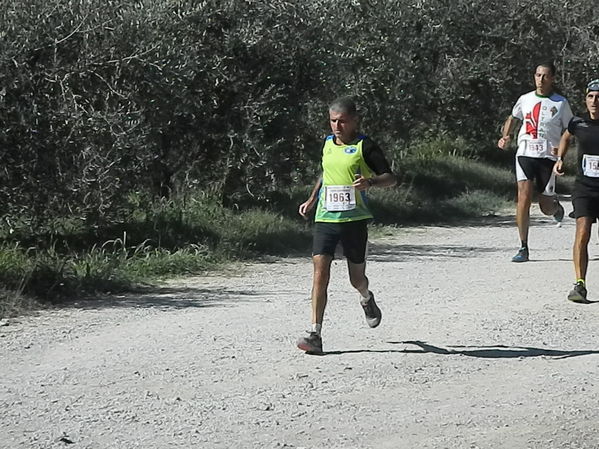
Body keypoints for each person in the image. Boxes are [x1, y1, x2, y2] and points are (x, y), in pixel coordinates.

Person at [296, 96, 396, 354]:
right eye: (332, 121)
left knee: (356, 279)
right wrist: (311, 199)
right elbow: (325, 173)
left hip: (354, 220)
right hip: (326, 218)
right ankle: (314, 333)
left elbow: (391, 178)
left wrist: (370, 183)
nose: (336, 127)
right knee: (320, 273)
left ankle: (366, 298)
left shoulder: (365, 146)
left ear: (354, 121)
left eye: (342, 122)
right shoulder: (328, 143)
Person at [498, 61, 573, 262]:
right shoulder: (525, 99)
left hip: (548, 157)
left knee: (545, 207)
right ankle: (523, 246)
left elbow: (569, 130)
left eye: (545, 76)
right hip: (525, 153)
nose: (540, 79)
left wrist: (562, 152)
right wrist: (507, 136)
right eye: (538, 75)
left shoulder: (561, 103)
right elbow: (513, 118)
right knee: (523, 196)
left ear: (553, 78)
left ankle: (556, 208)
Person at [553, 79, 599, 303]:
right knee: (582, 232)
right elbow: (565, 136)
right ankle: (579, 284)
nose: (594, 101)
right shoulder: (577, 122)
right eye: (591, 96)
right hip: (584, 187)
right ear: (586, 99)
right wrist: (560, 158)